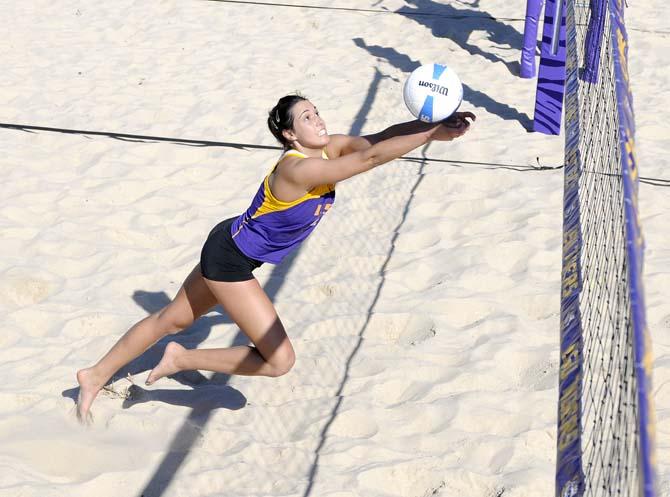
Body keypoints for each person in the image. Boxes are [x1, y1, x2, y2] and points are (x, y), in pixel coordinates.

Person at [75, 94, 475, 422]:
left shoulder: (328, 147)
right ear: (289, 134)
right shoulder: (296, 170)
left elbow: (379, 140)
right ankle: (180, 358)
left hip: (229, 246)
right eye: (306, 117)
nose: (318, 120)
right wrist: (430, 133)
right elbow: (369, 160)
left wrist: (435, 127)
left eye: (317, 112)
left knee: (172, 319)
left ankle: (93, 376)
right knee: (279, 360)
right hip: (229, 261)